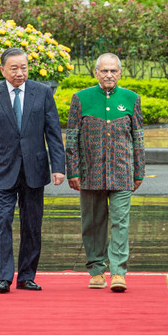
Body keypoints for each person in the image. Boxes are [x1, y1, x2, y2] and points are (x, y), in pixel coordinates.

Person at [0, 47, 65, 293]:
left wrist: (58, 167)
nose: (19, 73)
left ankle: (26, 276)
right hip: (2, 170)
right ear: (2, 70)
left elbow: (53, 134)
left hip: (34, 170)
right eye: (14, 68)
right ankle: (3, 277)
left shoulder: (43, 92)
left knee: (32, 224)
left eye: (23, 67)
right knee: (2, 221)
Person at [65, 53, 145, 292]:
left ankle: (118, 272)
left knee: (120, 222)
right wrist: (73, 171)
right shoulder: (81, 99)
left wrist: (139, 172)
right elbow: (71, 139)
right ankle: (97, 270)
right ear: (96, 73)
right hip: (90, 173)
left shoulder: (131, 99)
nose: (109, 75)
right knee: (92, 223)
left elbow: (138, 139)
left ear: (120, 73)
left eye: (113, 71)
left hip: (122, 172)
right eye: (104, 71)